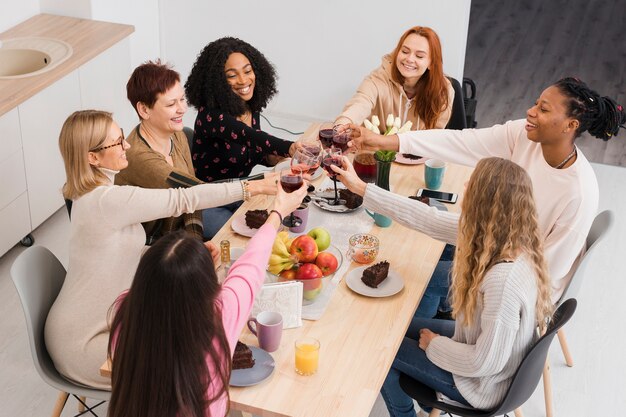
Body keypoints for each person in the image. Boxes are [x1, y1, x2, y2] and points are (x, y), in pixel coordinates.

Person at [45, 110, 282, 389]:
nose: (128, 146)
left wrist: (183, 253)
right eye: (117, 142)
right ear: (92, 158)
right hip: (87, 344)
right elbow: (185, 198)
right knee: (198, 364)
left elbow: (121, 252)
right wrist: (252, 188)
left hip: (100, 323)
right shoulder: (106, 201)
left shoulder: (94, 197)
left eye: (122, 137)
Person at [347, 77, 626, 312]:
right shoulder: (526, 135)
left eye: (543, 109)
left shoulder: (579, 193)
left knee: (420, 277)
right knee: (425, 248)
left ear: (570, 125)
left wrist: (478, 263)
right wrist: (388, 141)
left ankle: (442, 326)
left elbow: (545, 277)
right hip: (495, 244)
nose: (530, 112)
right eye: (535, 103)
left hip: (515, 287)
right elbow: (462, 141)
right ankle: (446, 314)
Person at [332, 157, 554, 414]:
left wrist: (434, 345)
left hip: (480, 384)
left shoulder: (502, 283)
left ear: (486, 202)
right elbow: (426, 218)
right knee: (387, 328)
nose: (466, 183)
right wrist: (360, 187)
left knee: (381, 349)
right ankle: (423, 399)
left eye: (474, 182)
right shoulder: (503, 237)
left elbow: (485, 362)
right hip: (474, 347)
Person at [106, 179, 306, 417]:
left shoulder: (125, 307)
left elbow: (162, 293)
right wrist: (278, 212)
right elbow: (251, 263)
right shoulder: (221, 313)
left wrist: (192, 275)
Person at [185, 37, 299, 238]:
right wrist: (289, 147)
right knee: (252, 237)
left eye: (247, 71)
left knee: (287, 222)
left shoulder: (248, 106)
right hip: (210, 201)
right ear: (217, 82)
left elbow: (253, 150)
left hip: (242, 191)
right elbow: (249, 137)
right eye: (232, 75)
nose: (244, 80)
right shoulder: (211, 116)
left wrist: (275, 158)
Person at [115, 60, 206, 243]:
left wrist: (195, 240)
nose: (182, 109)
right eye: (172, 104)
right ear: (144, 109)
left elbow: (192, 202)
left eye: (182, 99)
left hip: (179, 235)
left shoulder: (175, 134)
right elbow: (197, 191)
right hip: (151, 248)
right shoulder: (138, 156)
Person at [334, 26, 454, 131]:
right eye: (405, 51)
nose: (409, 59)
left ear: (431, 63)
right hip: (375, 153)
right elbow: (359, 104)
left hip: (417, 156)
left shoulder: (443, 91)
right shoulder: (378, 79)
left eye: (419, 56)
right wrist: (341, 125)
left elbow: (435, 137)